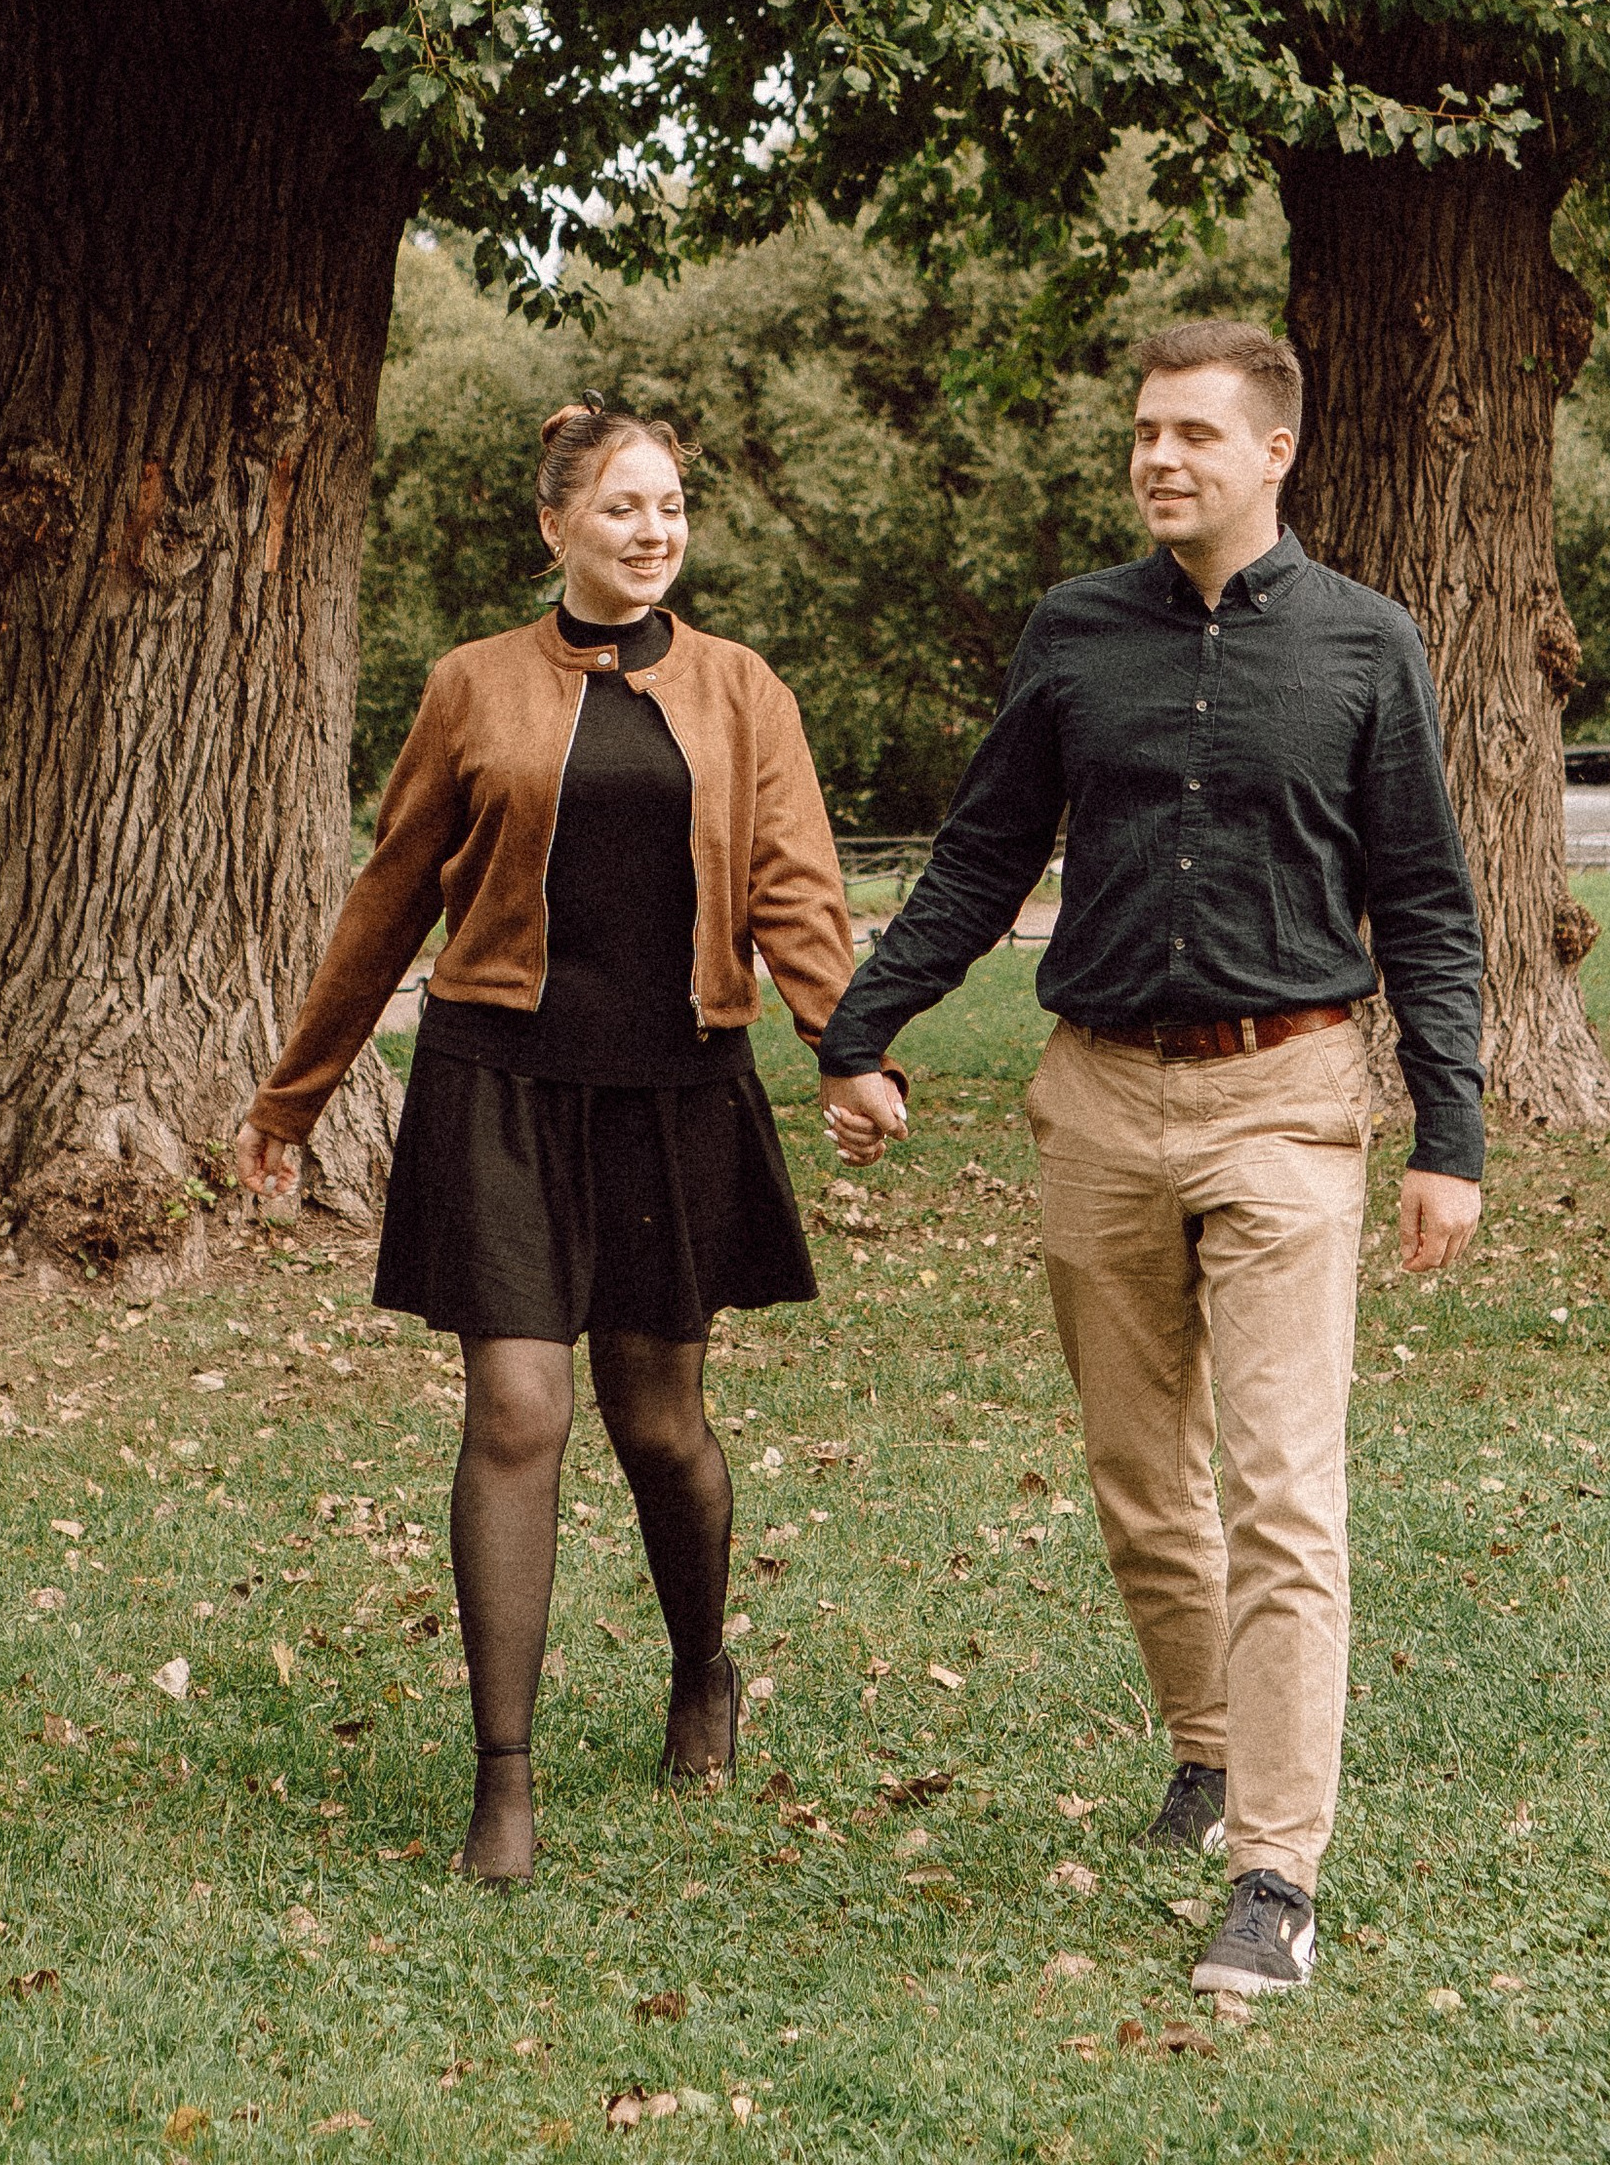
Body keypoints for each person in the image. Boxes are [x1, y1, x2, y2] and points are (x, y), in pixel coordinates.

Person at [818, 318, 1485, 2000]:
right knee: (1139, 1480)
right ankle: (1204, 1746)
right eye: (1143, 435)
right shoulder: (1076, 635)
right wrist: (863, 1022)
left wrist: (1448, 1136)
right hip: (1099, 1104)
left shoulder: (1364, 644)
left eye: (1195, 433)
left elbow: (1424, 903)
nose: (1161, 459)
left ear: (1275, 453)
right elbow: (979, 858)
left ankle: (1276, 1872)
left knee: (1280, 1490)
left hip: (1289, 1103)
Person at [234, 399, 860, 1885]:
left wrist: (854, 1049)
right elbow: (388, 895)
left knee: (659, 1426)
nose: (654, 533)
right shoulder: (472, 687)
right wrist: (293, 1095)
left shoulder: (740, 688)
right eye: (625, 508)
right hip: (501, 1080)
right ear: (557, 526)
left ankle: (702, 1662)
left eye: (672, 508)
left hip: (674, 1090)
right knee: (517, 1411)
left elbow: (795, 886)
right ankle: (501, 1782)